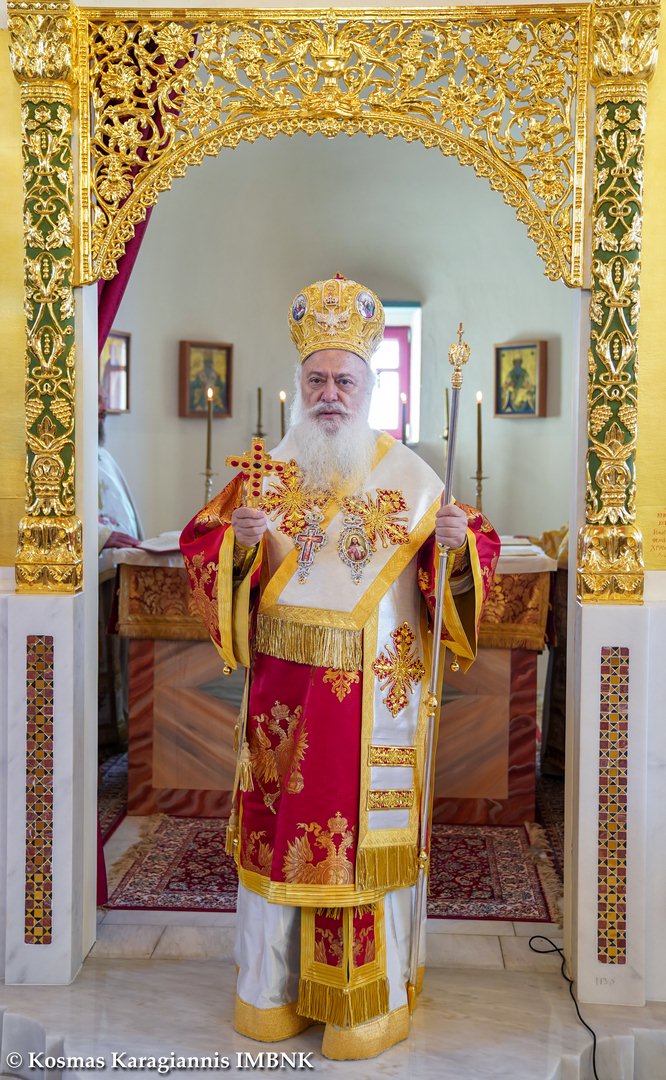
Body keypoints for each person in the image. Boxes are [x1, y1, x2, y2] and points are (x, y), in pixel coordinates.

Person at [180, 275, 500, 1060]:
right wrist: (240, 545)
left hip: (373, 709)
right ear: (300, 385)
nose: (330, 394)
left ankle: (365, 1008)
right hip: (284, 708)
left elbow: (464, 565)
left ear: (369, 387)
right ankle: (274, 995)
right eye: (317, 379)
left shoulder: (411, 479)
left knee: (360, 852)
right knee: (282, 838)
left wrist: (455, 549)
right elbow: (204, 553)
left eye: (345, 381)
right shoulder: (265, 477)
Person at [98, 389, 143, 551]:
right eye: (97, 400)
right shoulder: (65, 460)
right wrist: (99, 536)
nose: (104, 407)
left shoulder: (104, 457)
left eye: (105, 399)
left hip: (123, 558)